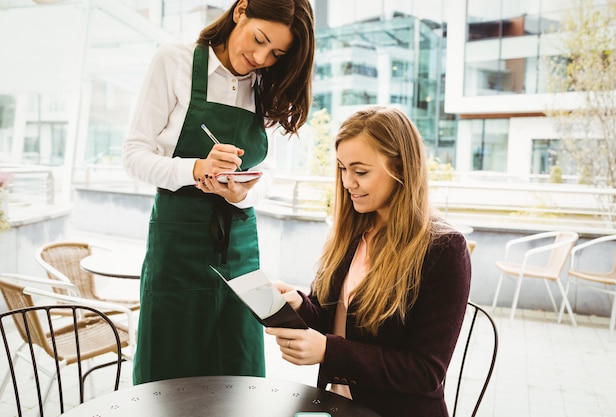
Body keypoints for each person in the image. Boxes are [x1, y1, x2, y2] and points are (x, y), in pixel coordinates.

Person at [122, 0, 315, 385]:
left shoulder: (265, 85)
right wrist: (195, 168)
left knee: (238, 372)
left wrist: (239, 194)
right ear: (240, 10)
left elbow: (270, 175)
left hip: (240, 248)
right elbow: (134, 155)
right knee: (170, 371)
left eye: (276, 53)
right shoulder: (174, 61)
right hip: (177, 246)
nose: (260, 57)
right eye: (259, 40)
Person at [266, 106, 471, 417]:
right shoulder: (351, 232)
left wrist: (327, 351)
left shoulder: (443, 249)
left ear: (401, 169)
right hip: (336, 407)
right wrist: (297, 305)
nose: (348, 182)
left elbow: (426, 371)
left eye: (360, 171)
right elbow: (331, 321)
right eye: (342, 169)